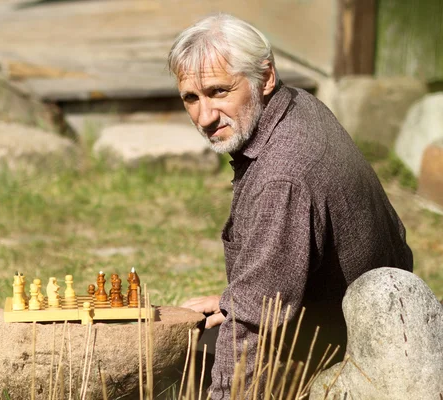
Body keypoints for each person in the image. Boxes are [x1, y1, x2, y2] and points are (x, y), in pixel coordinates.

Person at [168, 14, 413, 399]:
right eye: (190, 97)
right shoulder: (298, 103)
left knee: (176, 363)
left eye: (218, 92)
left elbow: (254, 326)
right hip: (368, 310)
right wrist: (239, 299)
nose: (204, 117)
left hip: (347, 348)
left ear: (265, 78)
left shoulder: (282, 177)